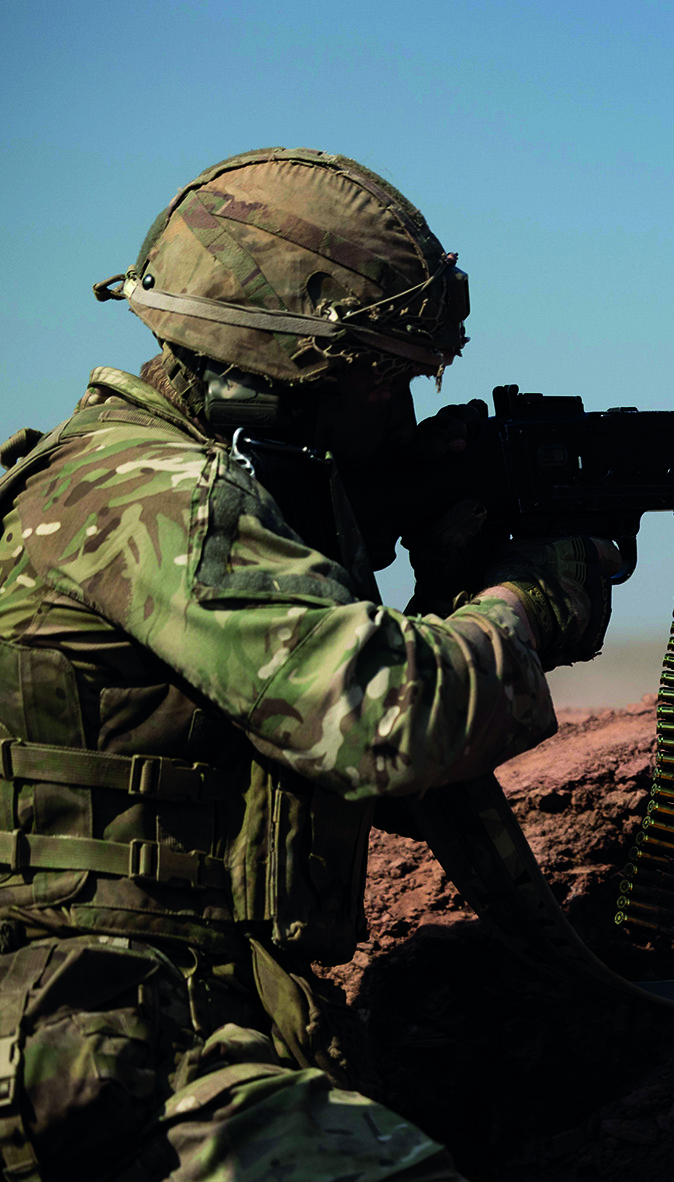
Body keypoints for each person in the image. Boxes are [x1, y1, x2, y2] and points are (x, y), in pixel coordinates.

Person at [0, 148, 607, 1180]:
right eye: (382, 382)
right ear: (286, 373)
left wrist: (442, 592)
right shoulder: (169, 499)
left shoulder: (116, 473)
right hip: (91, 1052)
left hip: (118, 1024)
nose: (400, 418)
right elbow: (386, 726)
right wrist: (525, 601)